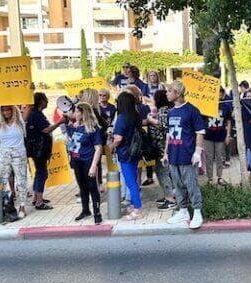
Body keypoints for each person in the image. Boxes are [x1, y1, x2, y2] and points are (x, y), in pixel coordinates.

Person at [164, 81, 206, 229]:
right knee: (178, 184)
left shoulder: (192, 110)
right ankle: (183, 211)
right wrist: (165, 152)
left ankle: (197, 212)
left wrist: (197, 152)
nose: (167, 93)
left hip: (187, 155)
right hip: (174, 155)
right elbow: (169, 135)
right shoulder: (170, 112)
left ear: (178, 93)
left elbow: (200, 132)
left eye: (170, 91)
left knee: (191, 184)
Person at [67, 102, 104, 224]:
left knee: (92, 187)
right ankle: (85, 209)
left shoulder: (93, 128)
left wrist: (94, 166)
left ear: (84, 113)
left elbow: (98, 148)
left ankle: (97, 212)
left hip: (88, 160)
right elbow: (72, 143)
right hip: (77, 160)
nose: (75, 114)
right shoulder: (74, 127)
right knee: (82, 187)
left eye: (77, 112)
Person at [27, 92, 63, 210]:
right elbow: (46, 129)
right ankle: (39, 201)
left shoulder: (35, 114)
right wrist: (60, 122)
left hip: (38, 148)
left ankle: (36, 197)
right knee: (42, 173)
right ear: (41, 101)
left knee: (39, 172)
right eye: (46, 99)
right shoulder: (36, 114)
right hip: (39, 149)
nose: (47, 102)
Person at [110, 92, 144, 220]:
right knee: (133, 179)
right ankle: (134, 204)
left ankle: (137, 210)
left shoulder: (122, 118)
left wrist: (111, 146)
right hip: (135, 152)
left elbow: (118, 138)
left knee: (131, 182)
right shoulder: (135, 116)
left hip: (125, 153)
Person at [0, 105, 29, 218]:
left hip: (18, 153)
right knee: (1, 180)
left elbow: (28, 106)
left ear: (13, 110)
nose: (6, 112)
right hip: (4, 154)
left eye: (8, 109)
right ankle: (5, 205)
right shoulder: (0, 122)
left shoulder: (20, 121)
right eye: (3, 110)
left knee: (21, 180)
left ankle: (22, 206)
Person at [148, 89, 176, 210]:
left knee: (163, 172)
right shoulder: (169, 109)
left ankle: (170, 198)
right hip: (165, 147)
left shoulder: (164, 110)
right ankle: (168, 195)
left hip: (162, 147)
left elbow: (163, 126)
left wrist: (150, 120)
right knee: (163, 172)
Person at [203, 88, 232, 185]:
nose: (218, 96)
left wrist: (228, 135)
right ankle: (210, 178)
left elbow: (228, 121)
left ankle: (220, 177)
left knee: (220, 157)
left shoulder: (225, 106)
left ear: (222, 94)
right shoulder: (206, 106)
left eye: (220, 94)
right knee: (209, 157)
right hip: (208, 136)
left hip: (220, 135)